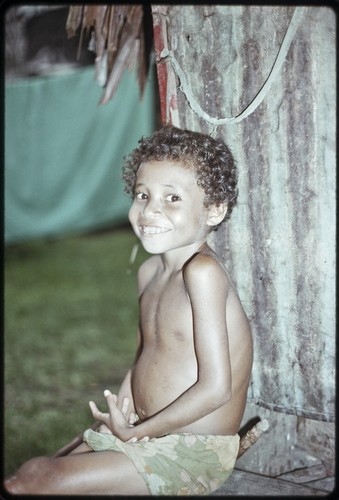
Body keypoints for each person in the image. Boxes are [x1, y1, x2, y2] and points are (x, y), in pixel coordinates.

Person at [4, 126, 253, 496]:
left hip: (192, 451)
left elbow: (216, 388)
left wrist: (140, 433)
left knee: (38, 479)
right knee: (35, 471)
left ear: (214, 210)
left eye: (172, 198)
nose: (150, 210)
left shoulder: (202, 274)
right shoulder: (149, 272)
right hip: (142, 428)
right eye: (143, 194)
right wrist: (118, 421)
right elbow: (144, 357)